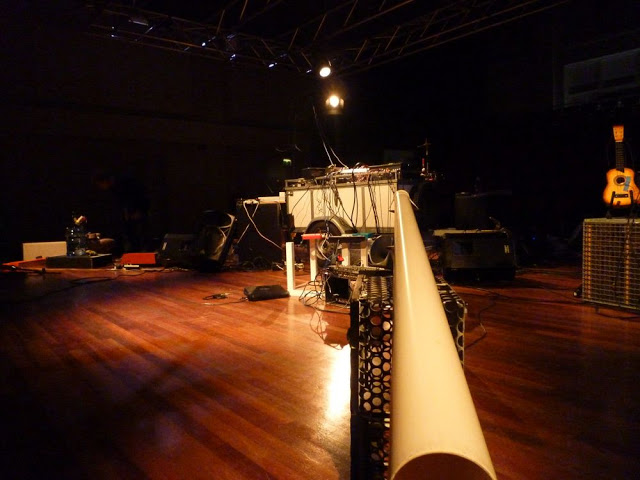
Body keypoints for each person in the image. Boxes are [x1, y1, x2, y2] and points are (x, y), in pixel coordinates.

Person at [93, 170, 151, 254]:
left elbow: (138, 196)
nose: (101, 188)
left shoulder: (125, 183)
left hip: (137, 211)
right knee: (130, 236)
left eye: (100, 184)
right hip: (129, 214)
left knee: (140, 235)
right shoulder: (114, 188)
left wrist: (139, 210)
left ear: (104, 181)